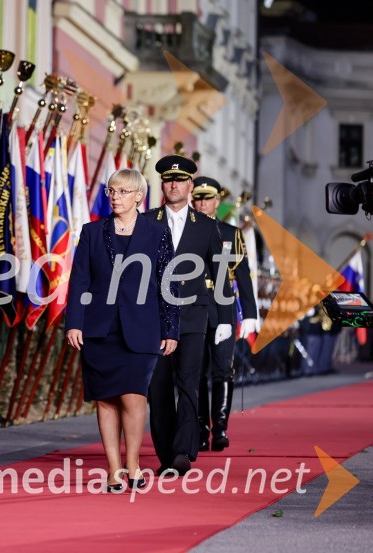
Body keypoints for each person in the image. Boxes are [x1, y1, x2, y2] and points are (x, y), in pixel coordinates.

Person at [66, 168, 180, 492]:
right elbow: (79, 281)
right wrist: (74, 322)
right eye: (112, 191)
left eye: (123, 192)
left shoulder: (157, 233)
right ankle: (114, 469)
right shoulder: (91, 232)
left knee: (134, 397)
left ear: (139, 197)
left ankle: (134, 463)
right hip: (99, 329)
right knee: (105, 400)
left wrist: (171, 328)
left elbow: (167, 283)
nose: (115, 197)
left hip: (143, 329)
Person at [143, 155, 233, 476]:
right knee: (159, 386)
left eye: (180, 180)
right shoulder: (147, 221)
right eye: (168, 179)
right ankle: (166, 452)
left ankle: (183, 450)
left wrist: (224, 318)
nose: (174, 185)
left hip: (194, 316)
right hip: (155, 317)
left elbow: (220, 274)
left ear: (190, 186)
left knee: (188, 382)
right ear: (163, 184)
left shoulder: (207, 227)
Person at [192, 177, 259, 452]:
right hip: (193, 305)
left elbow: (242, 276)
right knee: (194, 371)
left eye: (208, 198)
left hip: (223, 306)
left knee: (223, 368)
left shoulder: (231, 234)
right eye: (198, 198)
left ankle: (219, 428)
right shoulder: (185, 230)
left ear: (217, 202)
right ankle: (199, 429)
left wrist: (251, 313)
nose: (203, 202)